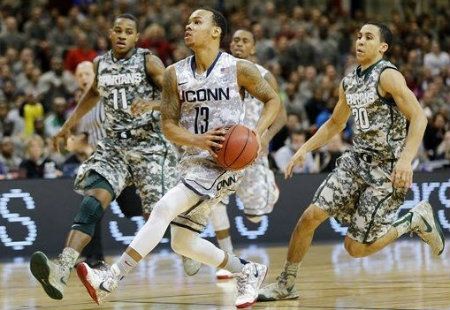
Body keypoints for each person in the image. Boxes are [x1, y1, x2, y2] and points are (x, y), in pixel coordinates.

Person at [76, 9, 280, 308]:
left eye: (197, 22)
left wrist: (256, 133)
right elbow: (168, 125)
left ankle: (109, 279)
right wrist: (199, 140)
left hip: (224, 163)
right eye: (188, 22)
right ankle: (247, 270)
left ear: (216, 32)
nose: (189, 26)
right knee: (182, 242)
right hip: (192, 160)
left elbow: (273, 100)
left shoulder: (240, 69)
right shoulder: (174, 74)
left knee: (163, 208)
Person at [258, 22, 445, 301]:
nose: (360, 41)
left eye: (368, 37)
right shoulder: (350, 80)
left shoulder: (388, 75)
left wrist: (406, 160)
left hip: (386, 169)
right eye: (358, 36)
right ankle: (286, 283)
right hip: (355, 162)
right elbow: (335, 123)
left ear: (383, 47)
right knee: (309, 217)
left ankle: (413, 220)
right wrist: (304, 150)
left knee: (354, 248)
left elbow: (419, 117)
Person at [29, 13, 178, 301]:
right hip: (114, 147)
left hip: (149, 146)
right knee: (92, 199)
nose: (122, 35)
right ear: (111, 34)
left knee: (157, 215)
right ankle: (62, 268)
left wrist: (151, 104)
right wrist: (66, 127)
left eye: (129, 31)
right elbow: (92, 94)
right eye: (118, 30)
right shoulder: (101, 63)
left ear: (137, 37)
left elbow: (175, 96)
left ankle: (188, 239)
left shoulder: (149, 61)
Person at [182, 29, 287, 280]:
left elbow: (281, 116)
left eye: (245, 41)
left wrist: (264, 138)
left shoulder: (264, 75)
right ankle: (226, 254)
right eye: (236, 40)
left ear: (253, 48)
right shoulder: (219, 72)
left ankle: (269, 189)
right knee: (214, 201)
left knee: (254, 215)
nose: (239, 44)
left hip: (254, 150)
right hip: (225, 149)